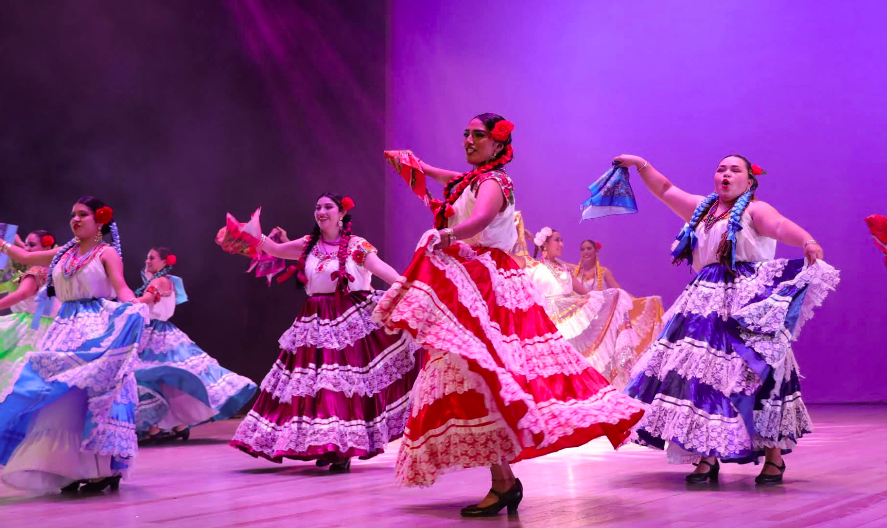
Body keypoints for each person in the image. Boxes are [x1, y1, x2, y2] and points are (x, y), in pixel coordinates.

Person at [374, 114, 644, 517]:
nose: (468, 140)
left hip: (490, 283)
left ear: (498, 144)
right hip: (473, 277)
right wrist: (419, 166)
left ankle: (504, 482)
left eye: (478, 135)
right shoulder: (474, 179)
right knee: (474, 378)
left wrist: (447, 234)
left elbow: (482, 216)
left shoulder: (494, 182)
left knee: (489, 374)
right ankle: (503, 482)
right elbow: (452, 178)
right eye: (465, 134)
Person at [615, 153, 840, 485]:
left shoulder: (754, 210)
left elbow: (779, 226)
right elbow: (665, 189)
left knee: (756, 372)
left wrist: (807, 240)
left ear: (749, 181)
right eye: (721, 169)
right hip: (703, 302)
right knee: (700, 374)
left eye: (735, 170)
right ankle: (707, 454)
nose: (726, 174)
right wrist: (640, 165)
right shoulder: (702, 209)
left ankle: (774, 458)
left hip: (747, 299)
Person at [219, 194, 423, 473]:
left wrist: (410, 288)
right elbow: (275, 249)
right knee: (312, 386)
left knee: (338, 384)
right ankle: (324, 443)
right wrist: (251, 235)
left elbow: (382, 270)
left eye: (328, 207)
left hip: (349, 320)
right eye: (318, 207)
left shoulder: (357, 245)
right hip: (314, 320)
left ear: (342, 214)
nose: (322, 211)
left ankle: (339, 448)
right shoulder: (308, 244)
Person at [0, 197, 148, 493]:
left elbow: (120, 287)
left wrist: (135, 305)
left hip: (95, 329)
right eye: (73, 215)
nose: (75, 220)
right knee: (58, 398)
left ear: (99, 220)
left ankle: (98, 470)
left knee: (89, 396)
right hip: (64, 328)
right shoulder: (63, 253)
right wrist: (3, 243)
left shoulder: (106, 252)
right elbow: (25, 257)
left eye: (83, 214)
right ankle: (67, 468)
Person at [133, 247, 256, 443]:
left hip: (155, 333)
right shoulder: (169, 281)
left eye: (151, 258)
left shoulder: (157, 282)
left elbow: (146, 300)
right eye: (147, 257)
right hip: (164, 330)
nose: (147, 261)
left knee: (154, 375)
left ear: (164, 261)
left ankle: (156, 428)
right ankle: (178, 426)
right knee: (169, 377)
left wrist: (123, 302)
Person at [524, 228, 640, 389]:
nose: (561, 244)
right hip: (543, 323)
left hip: (568, 323)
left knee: (570, 364)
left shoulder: (566, 270)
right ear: (545, 243)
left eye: (562, 240)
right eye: (557, 240)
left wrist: (614, 297)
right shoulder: (533, 265)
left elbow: (586, 294)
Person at [574, 238, 666, 384]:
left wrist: (637, 301)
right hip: (583, 324)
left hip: (602, 323)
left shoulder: (603, 272)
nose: (586, 252)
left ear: (596, 251)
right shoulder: (576, 272)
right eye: (583, 249)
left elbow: (618, 290)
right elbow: (558, 263)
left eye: (589, 248)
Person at [0, 231, 58, 405]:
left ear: (46, 248)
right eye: (25, 244)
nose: (26, 248)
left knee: (16, 368)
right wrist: (19, 243)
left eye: (32, 245)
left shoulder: (36, 271)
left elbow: (22, 294)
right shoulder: (54, 270)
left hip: (30, 325)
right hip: (51, 326)